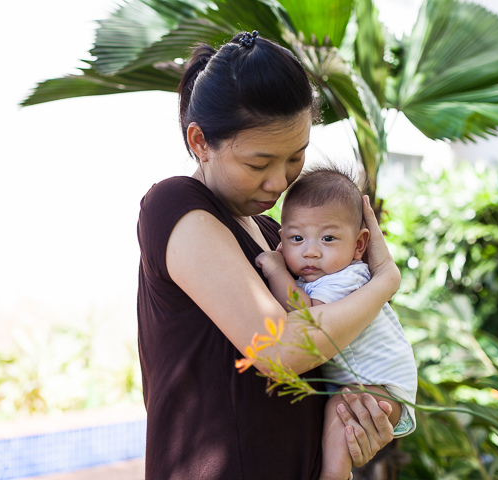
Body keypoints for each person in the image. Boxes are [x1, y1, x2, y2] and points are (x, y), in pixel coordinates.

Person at [137, 31, 401, 479]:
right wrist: (384, 283)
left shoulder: (276, 235)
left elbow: (322, 351)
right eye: (259, 165)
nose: (279, 183)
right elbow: (280, 349)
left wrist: (360, 420)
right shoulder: (175, 206)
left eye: (295, 159)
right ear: (200, 141)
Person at [255, 166, 418, 480]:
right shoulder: (313, 276)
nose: (311, 251)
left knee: (340, 408)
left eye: (328, 238)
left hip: (381, 384)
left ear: (359, 245)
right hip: (368, 383)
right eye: (297, 238)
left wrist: (276, 271)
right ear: (282, 240)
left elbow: (308, 318)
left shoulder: (347, 277)